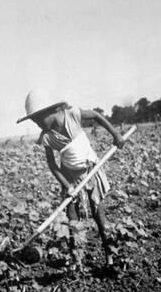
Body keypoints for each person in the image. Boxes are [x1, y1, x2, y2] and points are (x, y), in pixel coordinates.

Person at [17, 89, 124, 265]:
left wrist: (115, 134)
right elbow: (53, 165)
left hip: (91, 171)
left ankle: (110, 255)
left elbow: (96, 115)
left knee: (99, 215)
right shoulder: (47, 137)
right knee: (72, 220)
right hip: (70, 178)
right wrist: (67, 185)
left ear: (52, 111)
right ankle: (76, 260)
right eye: (33, 120)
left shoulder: (72, 115)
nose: (37, 123)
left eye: (38, 119)